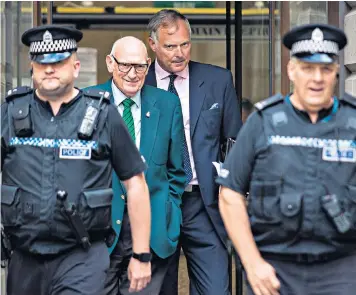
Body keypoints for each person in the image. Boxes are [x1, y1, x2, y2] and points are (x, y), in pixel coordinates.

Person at [1, 25, 151, 295]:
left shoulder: (103, 115)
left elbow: (136, 183)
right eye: (42, 62)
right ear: (32, 66)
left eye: (59, 62)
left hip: (81, 257)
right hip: (24, 258)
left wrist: (141, 255)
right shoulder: (11, 113)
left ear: (76, 66)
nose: (50, 69)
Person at [217, 23, 356, 295]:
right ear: (292, 70)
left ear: (336, 72)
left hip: (342, 269)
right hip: (275, 268)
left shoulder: (353, 123)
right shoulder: (262, 122)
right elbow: (230, 193)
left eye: (326, 69)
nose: (317, 78)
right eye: (307, 68)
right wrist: (252, 262)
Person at [145, 9, 242, 295]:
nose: (179, 53)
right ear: (153, 45)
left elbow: (233, 143)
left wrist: (231, 194)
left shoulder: (218, 80)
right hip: (156, 204)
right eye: (170, 46)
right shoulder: (137, 83)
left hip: (204, 203)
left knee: (215, 289)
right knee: (157, 288)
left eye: (185, 44)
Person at [85, 36, 186, 295]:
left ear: (148, 65)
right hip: (101, 234)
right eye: (124, 65)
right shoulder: (88, 103)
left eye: (139, 67)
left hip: (152, 236)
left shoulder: (167, 104)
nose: (132, 74)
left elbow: (177, 170)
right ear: (110, 63)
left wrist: (168, 211)